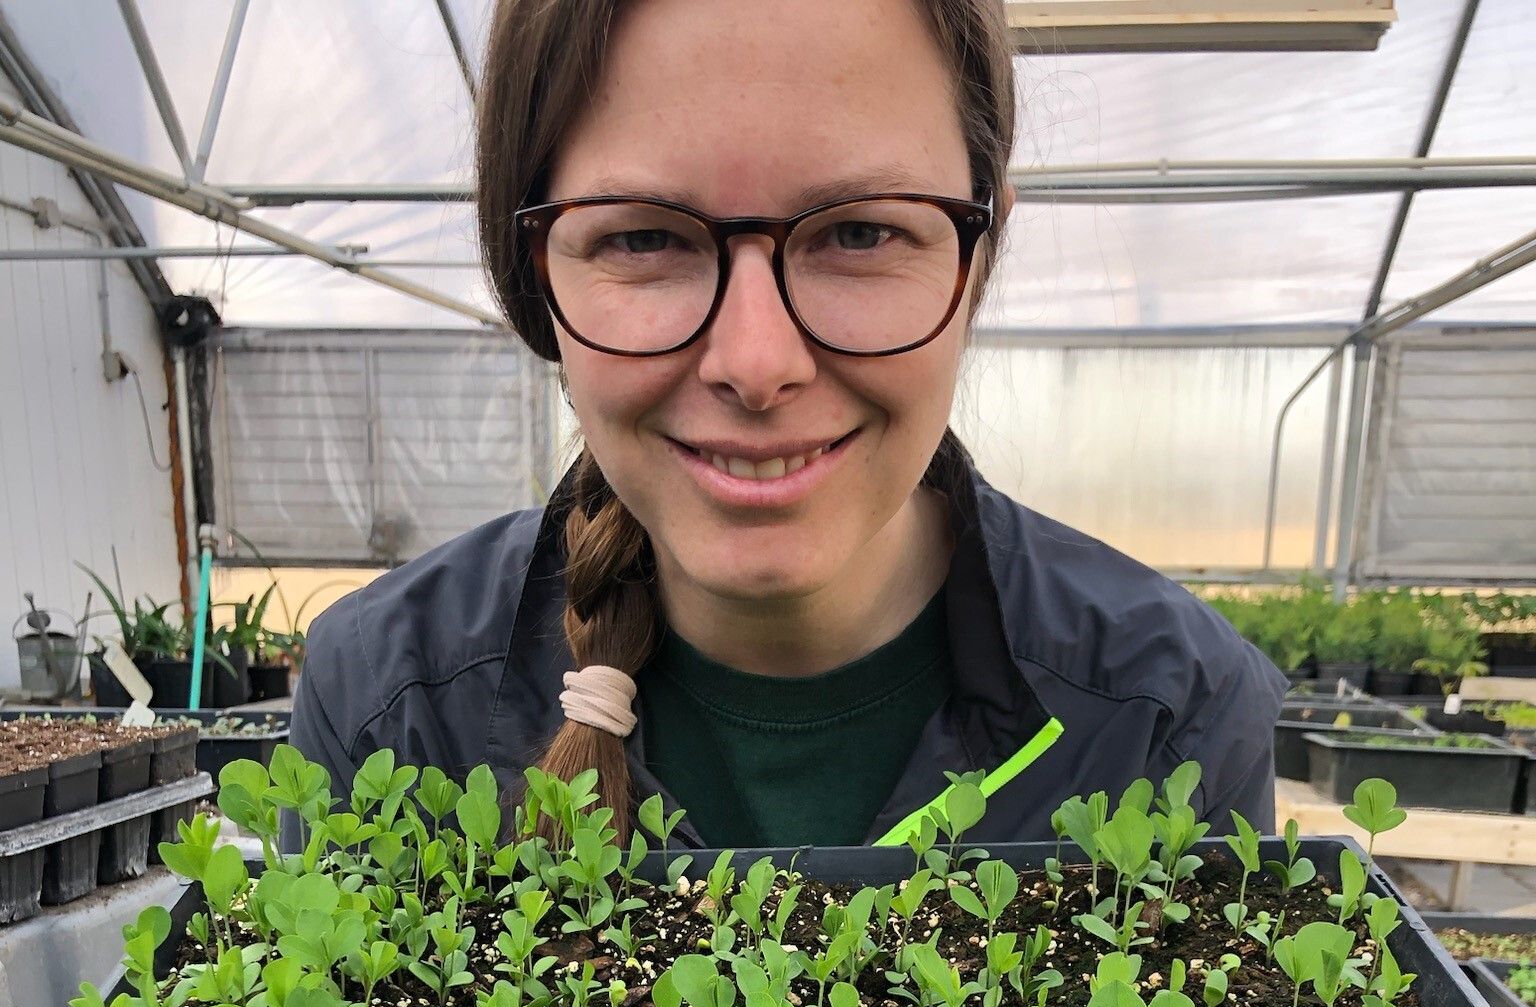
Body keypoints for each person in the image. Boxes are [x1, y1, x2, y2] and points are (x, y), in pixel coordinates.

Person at [289, 0, 1285, 852]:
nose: (757, 364)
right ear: (534, 273)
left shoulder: (1166, 715)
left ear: (979, 260)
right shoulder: (395, 705)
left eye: (862, 231)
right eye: (643, 237)